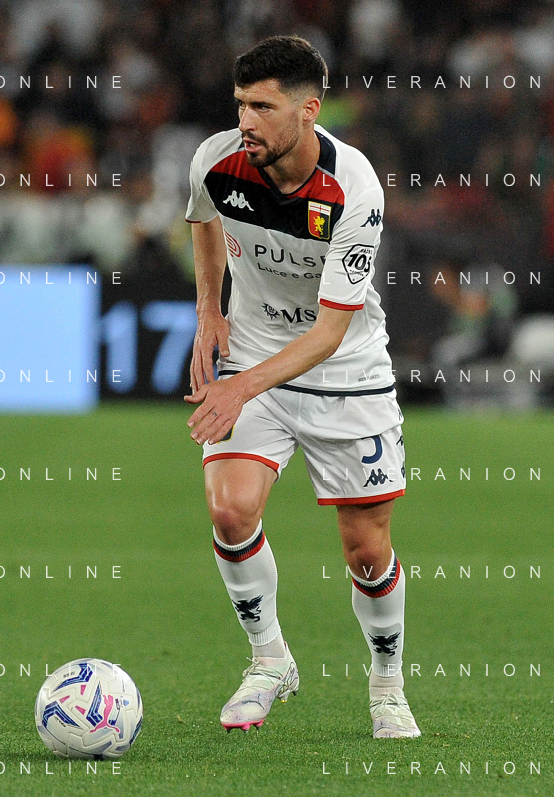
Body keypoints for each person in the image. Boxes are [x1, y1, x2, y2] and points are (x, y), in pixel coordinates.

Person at [183, 36, 418, 739]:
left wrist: (237, 389)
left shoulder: (354, 188)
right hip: (254, 352)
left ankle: (386, 684)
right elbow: (202, 217)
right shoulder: (216, 159)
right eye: (240, 105)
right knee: (230, 512)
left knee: (366, 550)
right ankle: (269, 660)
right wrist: (209, 310)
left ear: (308, 110)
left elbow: (329, 332)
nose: (245, 121)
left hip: (344, 371)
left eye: (262, 107)